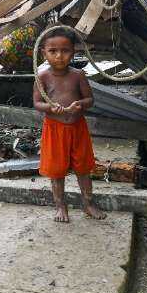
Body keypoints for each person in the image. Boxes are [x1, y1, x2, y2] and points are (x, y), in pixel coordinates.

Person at [32, 27, 106, 223]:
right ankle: (60, 205)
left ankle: (88, 203)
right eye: (53, 51)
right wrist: (50, 107)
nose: (59, 56)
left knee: (83, 168)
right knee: (56, 171)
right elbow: (37, 103)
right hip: (54, 129)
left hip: (77, 127)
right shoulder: (43, 76)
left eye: (65, 51)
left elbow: (90, 100)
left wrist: (80, 105)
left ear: (73, 52)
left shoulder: (78, 75)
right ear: (44, 53)